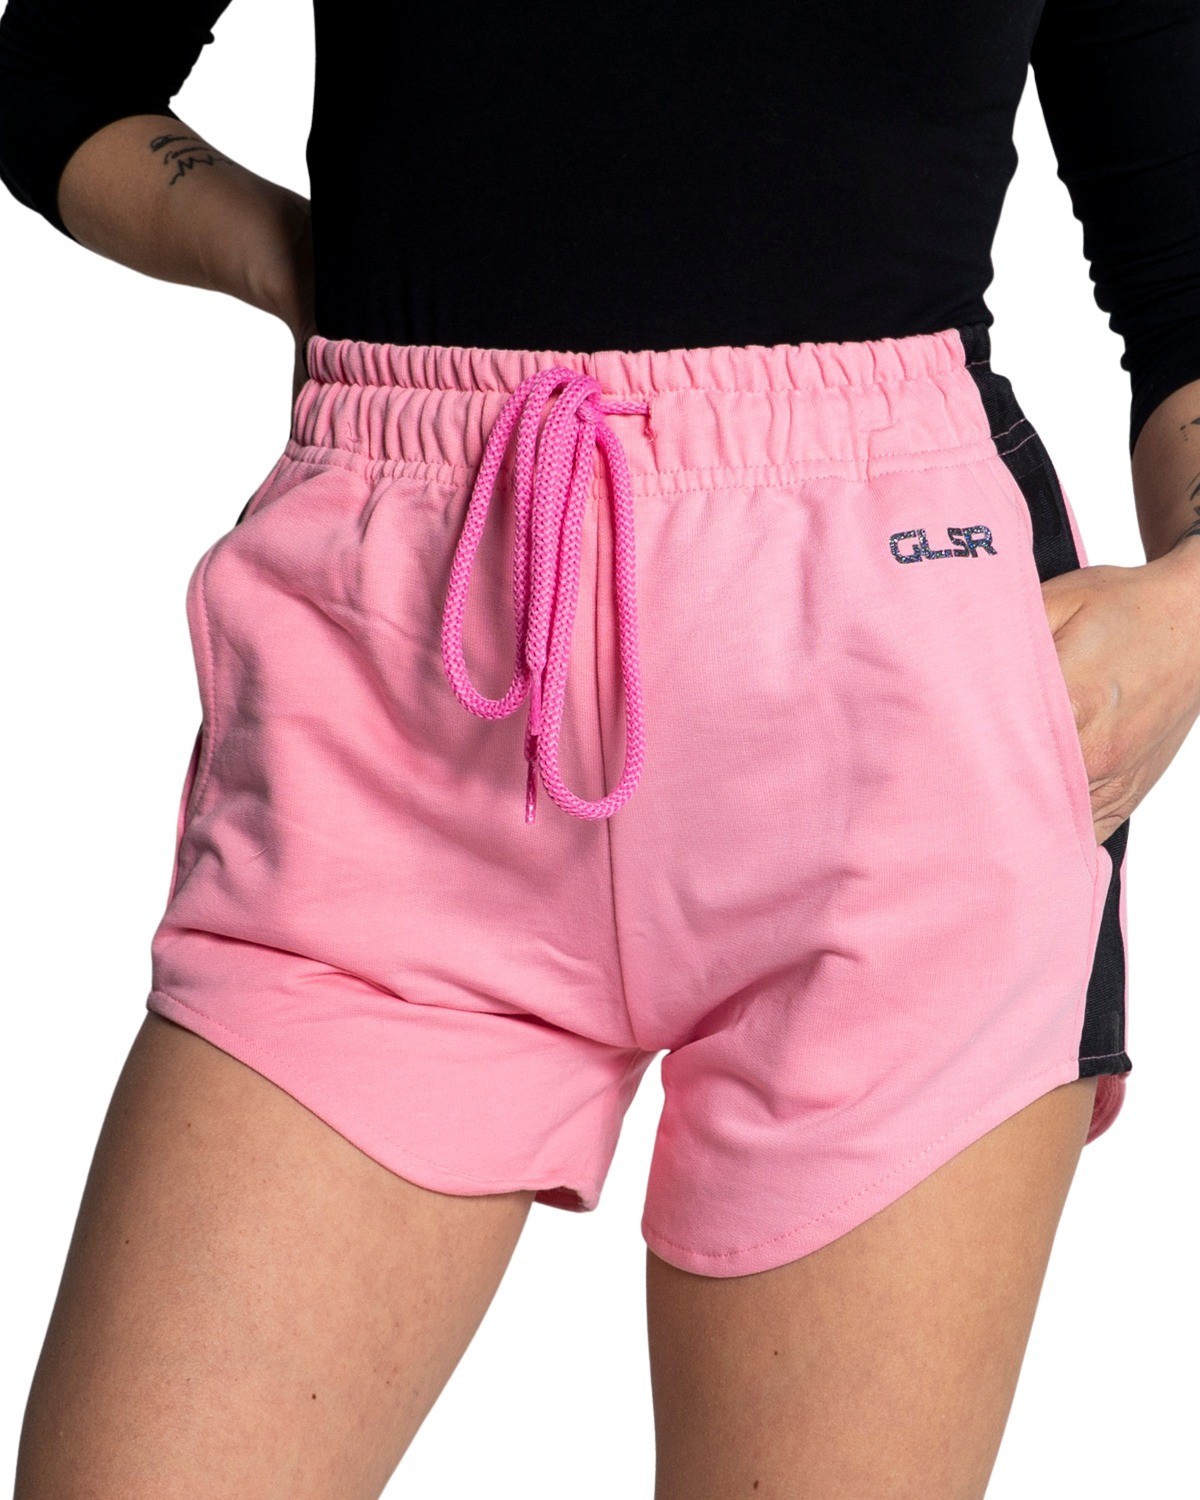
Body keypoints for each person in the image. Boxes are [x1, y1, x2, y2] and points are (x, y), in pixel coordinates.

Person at [1, 2, 1196, 1495]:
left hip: (898, 717)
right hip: (399, 716)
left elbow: (1182, 263)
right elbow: (52, 83)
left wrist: (1192, 613)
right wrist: (298, 262)